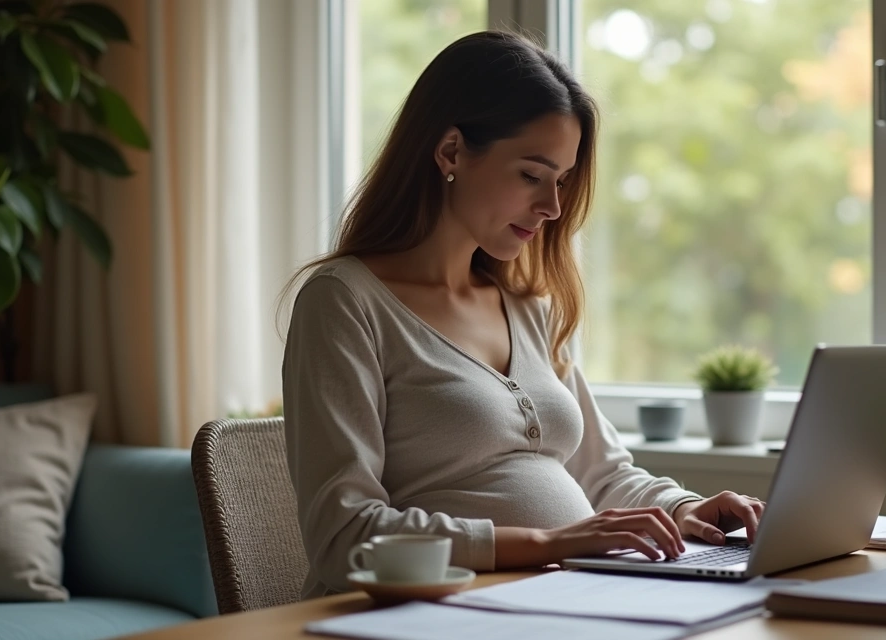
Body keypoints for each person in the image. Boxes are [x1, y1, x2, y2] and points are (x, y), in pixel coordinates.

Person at [281, 30, 766, 598]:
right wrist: (549, 542)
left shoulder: (527, 306)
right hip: (428, 615)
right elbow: (345, 537)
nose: (552, 207)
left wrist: (685, 509)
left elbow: (603, 474)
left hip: (554, 603)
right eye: (531, 176)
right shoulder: (345, 302)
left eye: (560, 181)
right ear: (451, 152)